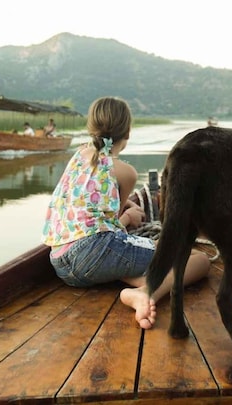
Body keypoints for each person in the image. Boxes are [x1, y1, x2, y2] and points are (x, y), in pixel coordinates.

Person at [42, 96, 210, 329]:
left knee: (138, 258)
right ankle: (146, 292)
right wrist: (129, 216)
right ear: (128, 132)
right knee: (198, 260)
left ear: (92, 128)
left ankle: (142, 283)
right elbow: (115, 226)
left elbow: (96, 210)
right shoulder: (126, 173)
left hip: (60, 262)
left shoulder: (78, 155)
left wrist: (125, 210)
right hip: (92, 251)